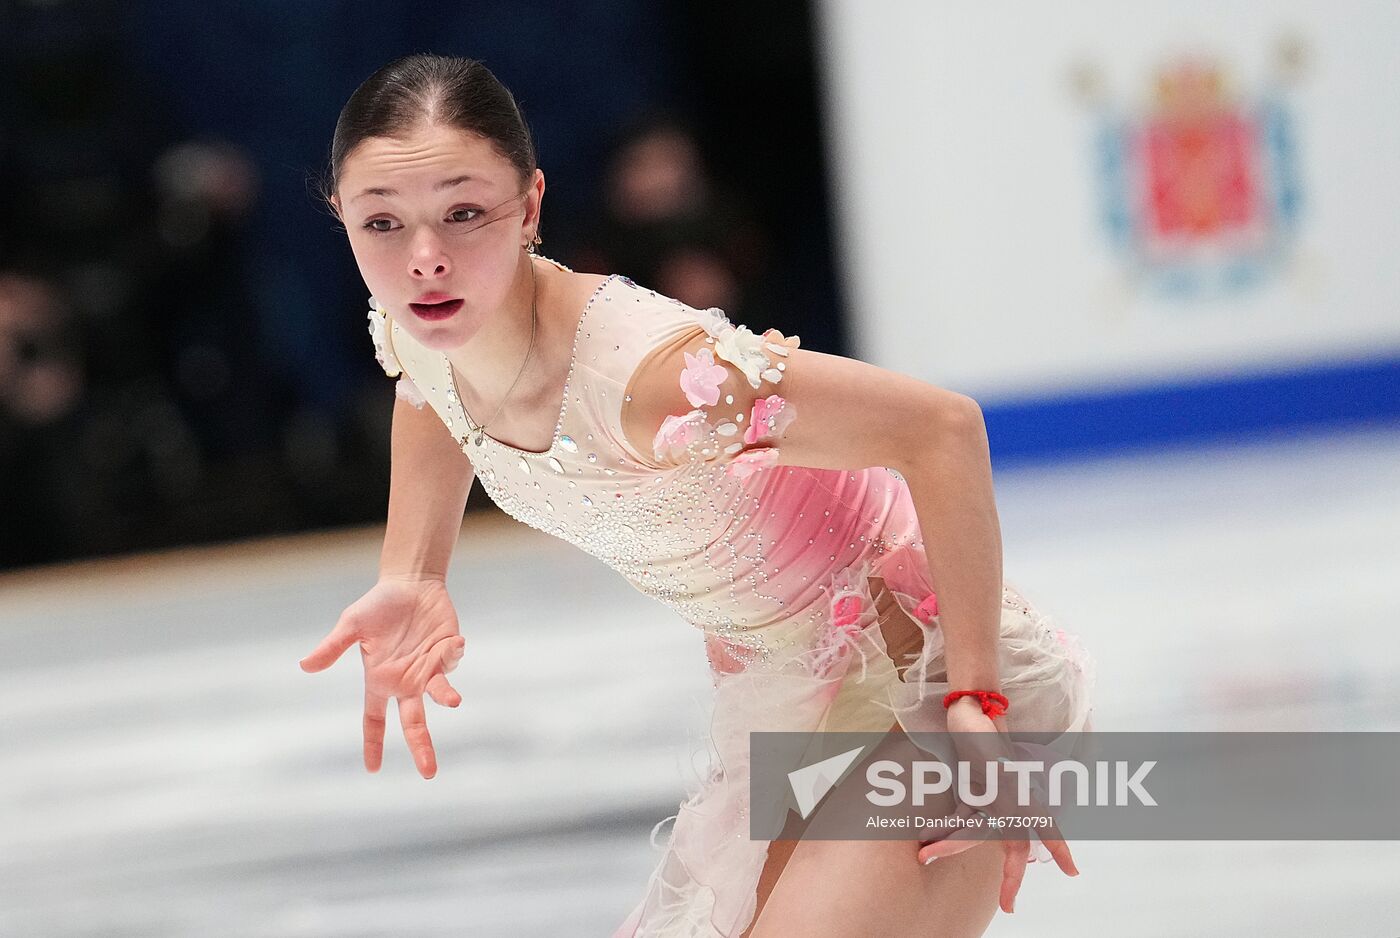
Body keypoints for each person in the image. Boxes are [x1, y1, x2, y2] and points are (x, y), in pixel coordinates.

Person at [300, 53, 1096, 937]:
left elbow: (941, 431)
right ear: (341, 215)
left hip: (929, 694)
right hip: (786, 701)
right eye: (382, 222)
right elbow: (432, 389)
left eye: (462, 212)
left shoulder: (653, 380)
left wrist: (973, 700)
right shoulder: (421, 321)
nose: (424, 260)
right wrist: (415, 569)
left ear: (529, 205)